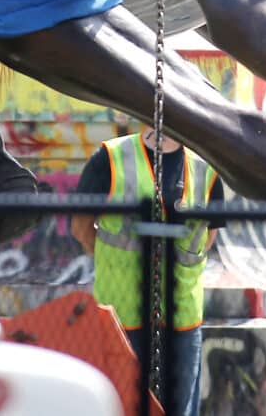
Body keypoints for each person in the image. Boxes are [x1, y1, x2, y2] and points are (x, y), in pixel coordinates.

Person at [70, 126, 222, 416]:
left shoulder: (205, 170)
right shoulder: (111, 159)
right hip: (121, 317)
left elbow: (207, 236)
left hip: (182, 319)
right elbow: (81, 226)